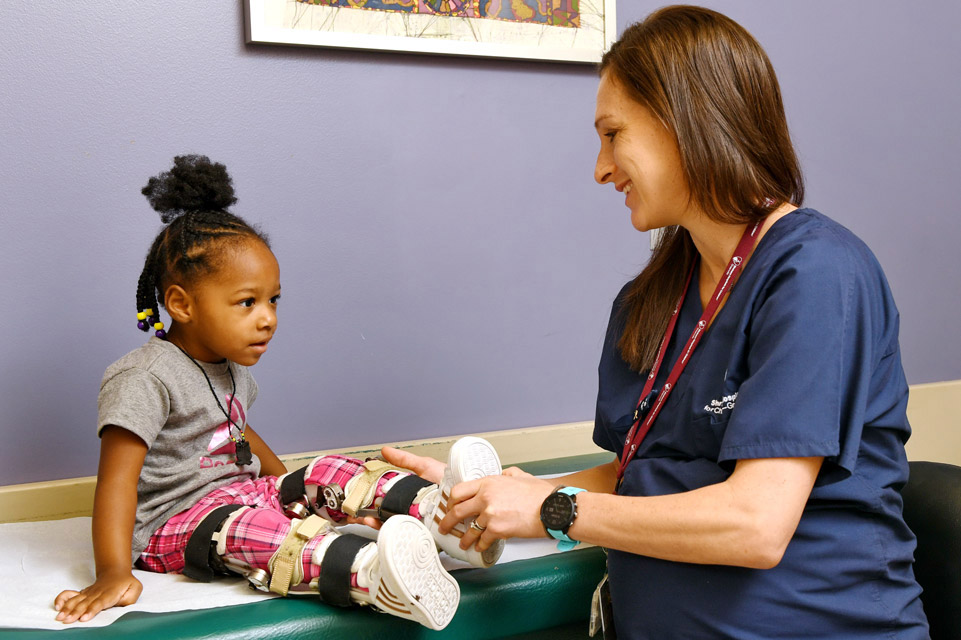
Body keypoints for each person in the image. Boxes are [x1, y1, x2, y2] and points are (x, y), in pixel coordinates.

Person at [384, 6, 931, 638]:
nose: (601, 167)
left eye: (613, 134)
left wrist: (554, 509)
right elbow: (647, 474)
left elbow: (755, 524)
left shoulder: (817, 275)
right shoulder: (654, 298)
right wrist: (493, 495)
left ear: (684, 118)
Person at [53, 155, 504, 631]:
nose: (267, 317)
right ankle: (375, 576)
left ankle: (445, 517)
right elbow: (116, 482)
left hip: (238, 491)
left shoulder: (230, 369)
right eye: (247, 302)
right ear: (181, 304)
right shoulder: (144, 376)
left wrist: (295, 489)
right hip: (174, 524)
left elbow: (239, 432)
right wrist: (111, 572)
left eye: (273, 300)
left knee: (328, 468)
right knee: (257, 533)